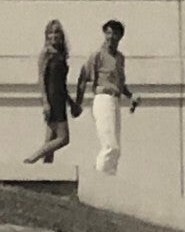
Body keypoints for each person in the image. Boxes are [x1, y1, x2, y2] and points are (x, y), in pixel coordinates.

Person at [74, 18, 138, 175]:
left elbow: (121, 83)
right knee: (110, 147)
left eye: (115, 33)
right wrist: (78, 103)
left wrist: (131, 97)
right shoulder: (97, 55)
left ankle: (110, 181)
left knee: (117, 150)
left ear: (120, 36)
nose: (111, 37)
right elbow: (83, 78)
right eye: (108, 32)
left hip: (115, 100)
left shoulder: (120, 58)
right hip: (102, 99)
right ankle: (98, 178)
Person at [24, 20, 77, 164]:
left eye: (56, 32)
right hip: (52, 98)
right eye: (50, 32)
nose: (53, 36)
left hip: (60, 97)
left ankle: (47, 172)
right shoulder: (46, 54)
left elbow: (62, 83)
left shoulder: (61, 55)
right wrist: (45, 102)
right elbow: (41, 79)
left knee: (50, 140)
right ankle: (32, 158)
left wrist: (71, 103)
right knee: (63, 138)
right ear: (47, 36)